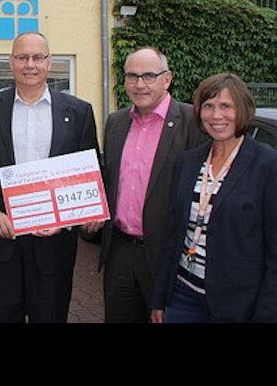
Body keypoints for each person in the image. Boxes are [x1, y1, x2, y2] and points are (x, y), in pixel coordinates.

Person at [0, 31, 101, 323]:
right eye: (22, 57)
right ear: (11, 62)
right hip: (2, 243)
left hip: (54, 248)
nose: (30, 64)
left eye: (38, 57)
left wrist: (67, 218)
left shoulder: (78, 111)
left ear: (50, 62)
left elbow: (91, 174)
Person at [151, 73, 277, 323]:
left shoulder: (268, 165)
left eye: (226, 106)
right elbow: (173, 236)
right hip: (183, 295)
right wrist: (160, 299)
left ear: (242, 109)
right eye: (208, 106)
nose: (216, 115)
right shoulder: (188, 162)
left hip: (238, 306)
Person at [100, 47, 206, 323]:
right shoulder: (116, 123)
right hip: (120, 252)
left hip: (168, 255)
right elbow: (107, 181)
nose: (139, 84)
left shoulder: (193, 123)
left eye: (149, 76)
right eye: (132, 76)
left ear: (167, 79)